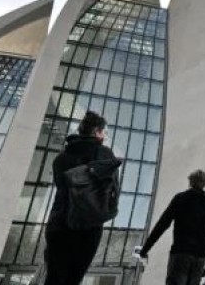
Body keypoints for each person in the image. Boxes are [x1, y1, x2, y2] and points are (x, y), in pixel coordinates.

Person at [44, 110, 117, 285]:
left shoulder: (60, 159)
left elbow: (61, 187)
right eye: (104, 132)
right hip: (88, 227)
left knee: (53, 279)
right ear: (97, 132)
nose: (105, 136)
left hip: (59, 224)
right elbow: (113, 190)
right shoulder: (105, 154)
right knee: (73, 280)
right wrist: (109, 212)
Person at [137, 169, 205, 285]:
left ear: (190, 182)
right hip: (200, 255)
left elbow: (162, 224)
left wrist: (145, 249)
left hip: (180, 251)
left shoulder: (180, 199)